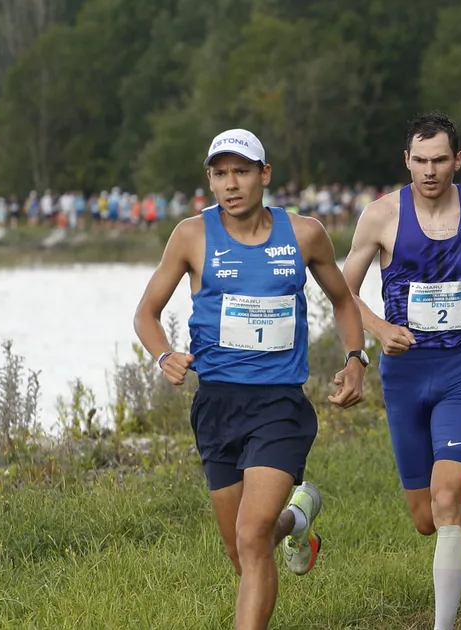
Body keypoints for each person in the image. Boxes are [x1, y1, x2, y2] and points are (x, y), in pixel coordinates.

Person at [133, 128, 370, 630]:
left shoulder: (304, 234)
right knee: (244, 550)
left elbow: (344, 299)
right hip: (216, 406)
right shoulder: (191, 236)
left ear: (264, 174)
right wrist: (163, 356)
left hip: (279, 407)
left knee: (251, 534)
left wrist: (356, 358)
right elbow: (146, 314)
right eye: (219, 174)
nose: (230, 184)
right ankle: (299, 520)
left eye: (241, 171)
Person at [341, 112, 461, 630]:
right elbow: (342, 292)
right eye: (420, 161)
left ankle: (444, 625)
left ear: (457, 160)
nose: (429, 171)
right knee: (425, 520)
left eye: (440, 160)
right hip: (403, 376)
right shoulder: (379, 217)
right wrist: (377, 330)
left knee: (445, 500)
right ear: (406, 161)